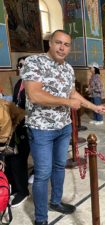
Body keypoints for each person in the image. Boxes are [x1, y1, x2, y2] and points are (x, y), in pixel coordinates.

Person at [21, 30, 105, 225]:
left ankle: (55, 202)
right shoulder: (34, 62)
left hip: (64, 127)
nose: (62, 48)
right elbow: (34, 94)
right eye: (58, 43)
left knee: (59, 166)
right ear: (50, 43)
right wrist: (67, 103)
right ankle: (41, 219)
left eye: (66, 45)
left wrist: (95, 106)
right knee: (43, 172)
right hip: (41, 127)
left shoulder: (68, 69)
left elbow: (73, 94)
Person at [5, 56, 30, 208]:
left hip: (28, 127)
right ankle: (13, 187)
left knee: (18, 159)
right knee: (10, 158)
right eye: (18, 65)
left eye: (23, 65)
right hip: (17, 125)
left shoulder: (32, 84)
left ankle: (22, 191)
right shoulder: (19, 83)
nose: (20, 68)